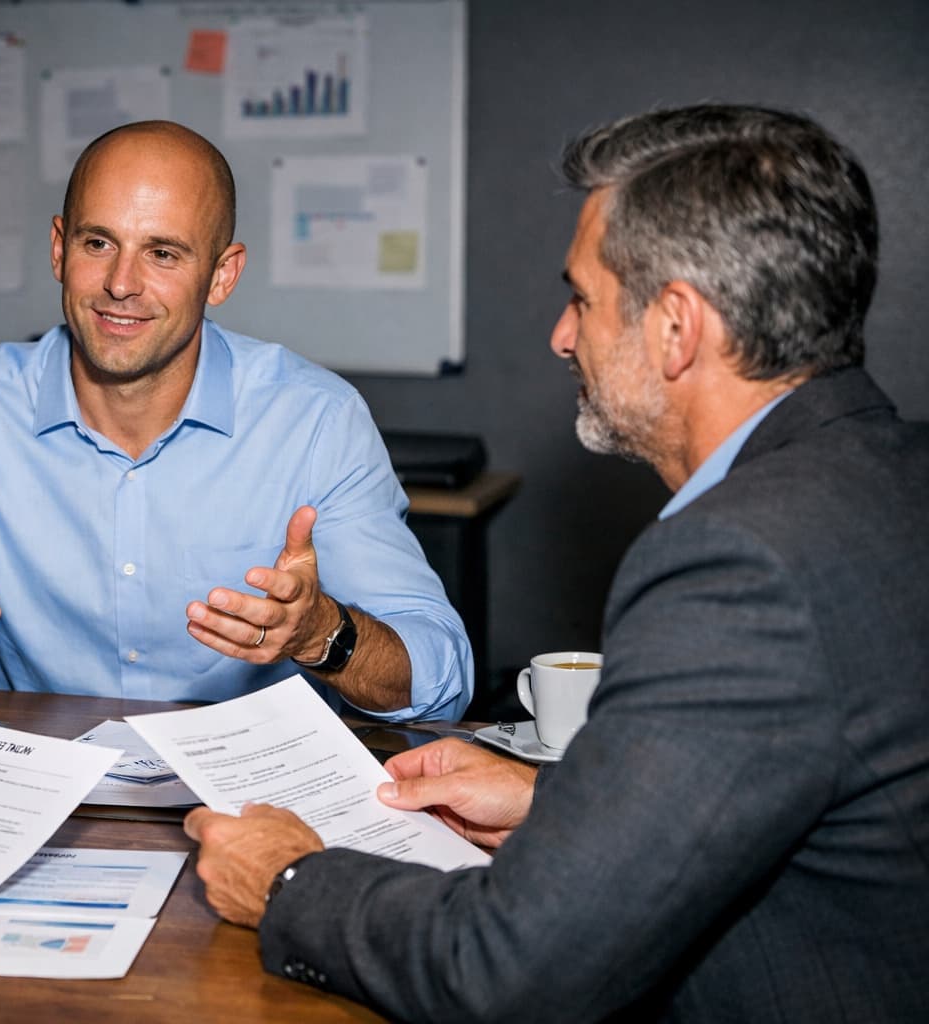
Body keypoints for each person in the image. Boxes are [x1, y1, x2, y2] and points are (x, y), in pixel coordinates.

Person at [183, 104, 929, 1020]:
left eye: (581, 300)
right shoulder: (894, 475)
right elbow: (794, 778)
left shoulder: (739, 564)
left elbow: (509, 974)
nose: (561, 337)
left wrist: (290, 880)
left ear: (676, 327)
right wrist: (562, 801)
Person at [0, 120, 471, 720]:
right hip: (41, 787)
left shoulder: (316, 421)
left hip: (250, 799)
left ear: (222, 275)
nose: (121, 283)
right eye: (98, 243)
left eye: (163, 253)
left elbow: (440, 678)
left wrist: (322, 634)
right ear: (59, 249)